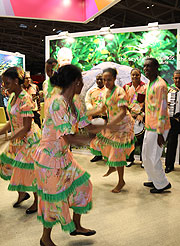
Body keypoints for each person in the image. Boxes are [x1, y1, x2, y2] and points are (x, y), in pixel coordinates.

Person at [33, 65, 108, 246]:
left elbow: (87, 125)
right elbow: (69, 138)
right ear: (76, 83)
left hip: (63, 157)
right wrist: (91, 139)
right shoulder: (57, 103)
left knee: (83, 184)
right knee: (53, 200)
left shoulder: (76, 102)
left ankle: (76, 225)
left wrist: (108, 127)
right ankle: (45, 239)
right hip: (49, 160)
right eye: (81, 81)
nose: (83, 84)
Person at [0, 67, 41, 213]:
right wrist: (2, 132)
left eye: (7, 83)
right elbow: (12, 120)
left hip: (28, 140)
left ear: (16, 81)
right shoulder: (12, 97)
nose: (4, 86)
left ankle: (37, 201)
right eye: (3, 83)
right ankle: (22, 194)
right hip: (18, 138)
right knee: (8, 164)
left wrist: (9, 138)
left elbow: (26, 127)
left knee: (30, 170)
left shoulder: (25, 98)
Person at [89, 68, 135, 193]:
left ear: (114, 79)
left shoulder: (120, 91)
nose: (106, 82)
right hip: (112, 125)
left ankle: (121, 181)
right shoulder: (104, 92)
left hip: (123, 126)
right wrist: (87, 113)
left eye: (109, 79)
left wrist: (110, 124)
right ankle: (112, 166)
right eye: (104, 79)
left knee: (117, 152)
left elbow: (122, 112)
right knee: (102, 143)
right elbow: (102, 108)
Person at [142, 58, 171, 194]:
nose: (145, 69)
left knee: (153, 156)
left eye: (149, 66)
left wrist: (160, 133)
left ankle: (162, 184)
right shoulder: (150, 84)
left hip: (159, 128)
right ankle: (153, 178)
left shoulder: (160, 85)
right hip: (149, 126)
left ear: (156, 68)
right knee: (146, 156)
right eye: (144, 66)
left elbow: (163, 109)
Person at [123, 68, 146, 167]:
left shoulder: (145, 87)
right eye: (133, 75)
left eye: (137, 75)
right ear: (130, 75)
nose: (135, 77)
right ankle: (129, 158)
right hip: (129, 116)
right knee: (129, 139)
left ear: (140, 75)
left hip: (141, 116)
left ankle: (143, 160)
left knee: (142, 140)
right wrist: (128, 114)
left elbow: (147, 103)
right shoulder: (126, 87)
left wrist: (141, 114)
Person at [85, 73, 107, 162]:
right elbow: (87, 101)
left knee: (106, 137)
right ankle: (97, 155)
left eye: (101, 79)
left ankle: (106, 155)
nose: (99, 81)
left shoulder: (109, 90)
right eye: (97, 79)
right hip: (94, 117)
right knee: (95, 137)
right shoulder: (91, 91)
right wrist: (91, 109)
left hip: (105, 117)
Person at [165, 70, 180, 173]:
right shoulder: (170, 91)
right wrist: (168, 105)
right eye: (176, 78)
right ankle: (169, 165)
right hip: (173, 120)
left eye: (179, 78)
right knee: (171, 143)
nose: (177, 80)